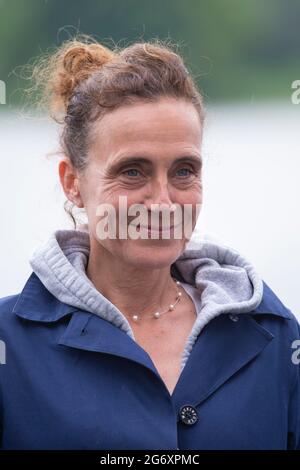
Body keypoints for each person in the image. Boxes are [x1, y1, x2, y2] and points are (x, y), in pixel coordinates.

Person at [0, 36, 299, 450]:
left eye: (183, 171)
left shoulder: (272, 333)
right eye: (133, 172)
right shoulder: (10, 346)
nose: (162, 203)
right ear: (72, 183)